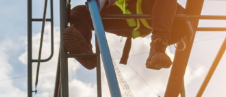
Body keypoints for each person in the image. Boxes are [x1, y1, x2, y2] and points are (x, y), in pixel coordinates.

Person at [63, 0, 194, 70]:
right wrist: (94, 6)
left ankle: (158, 48)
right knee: (79, 12)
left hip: (150, 17)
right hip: (124, 17)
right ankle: (85, 53)